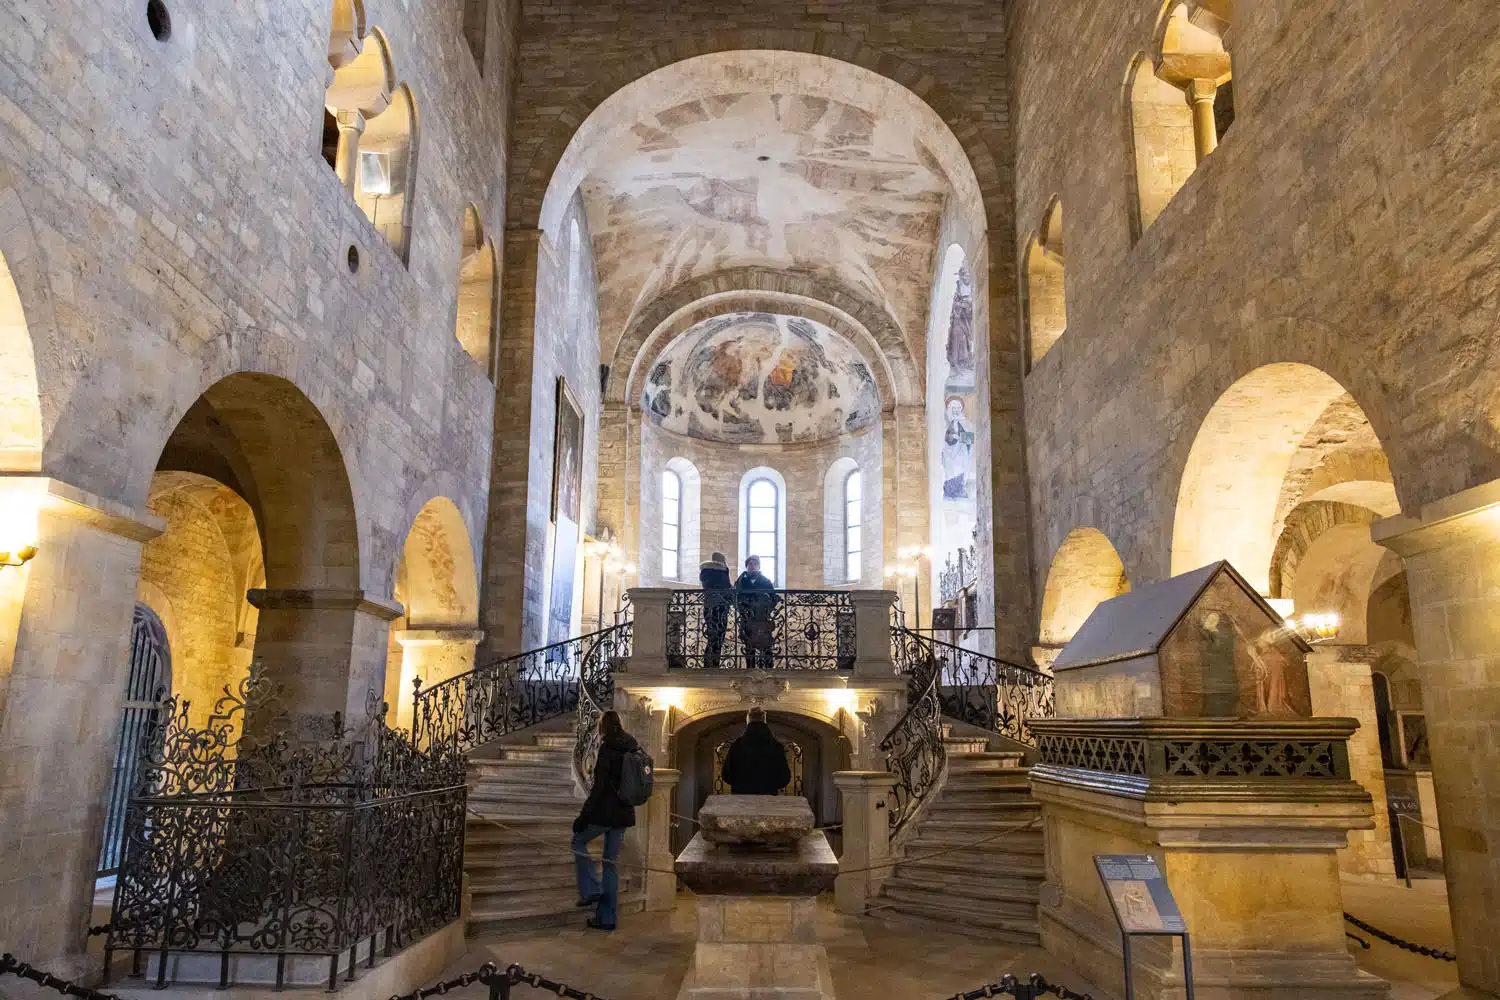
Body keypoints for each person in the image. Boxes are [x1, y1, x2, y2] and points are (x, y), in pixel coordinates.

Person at [572, 710, 638, 930]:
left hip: (606, 813)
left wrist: (584, 816)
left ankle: (591, 888)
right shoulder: (632, 747)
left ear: (603, 727)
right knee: (610, 864)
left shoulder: (608, 749)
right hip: (624, 813)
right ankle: (607, 919)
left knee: (578, 842)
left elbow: (599, 789)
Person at [721, 706, 791, 795]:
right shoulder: (776, 746)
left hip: (741, 798)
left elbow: (726, 775)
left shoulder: (737, 746)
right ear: (764, 720)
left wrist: (740, 784)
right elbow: (784, 778)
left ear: (748, 720)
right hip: (768, 798)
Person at [735, 555, 778, 669]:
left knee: (766, 645)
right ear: (747, 566)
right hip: (747, 618)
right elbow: (735, 598)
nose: (752, 566)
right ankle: (750, 670)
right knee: (749, 646)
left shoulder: (766, 581)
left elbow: (773, 599)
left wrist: (766, 609)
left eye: (755, 564)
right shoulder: (741, 581)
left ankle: (769, 670)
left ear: (758, 566)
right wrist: (742, 609)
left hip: (761, 618)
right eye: (750, 564)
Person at [699, 551, 733, 669]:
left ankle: (709, 664)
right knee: (718, 637)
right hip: (720, 607)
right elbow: (726, 588)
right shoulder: (721, 572)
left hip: (709, 607)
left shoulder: (705, 572)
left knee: (713, 637)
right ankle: (713, 664)